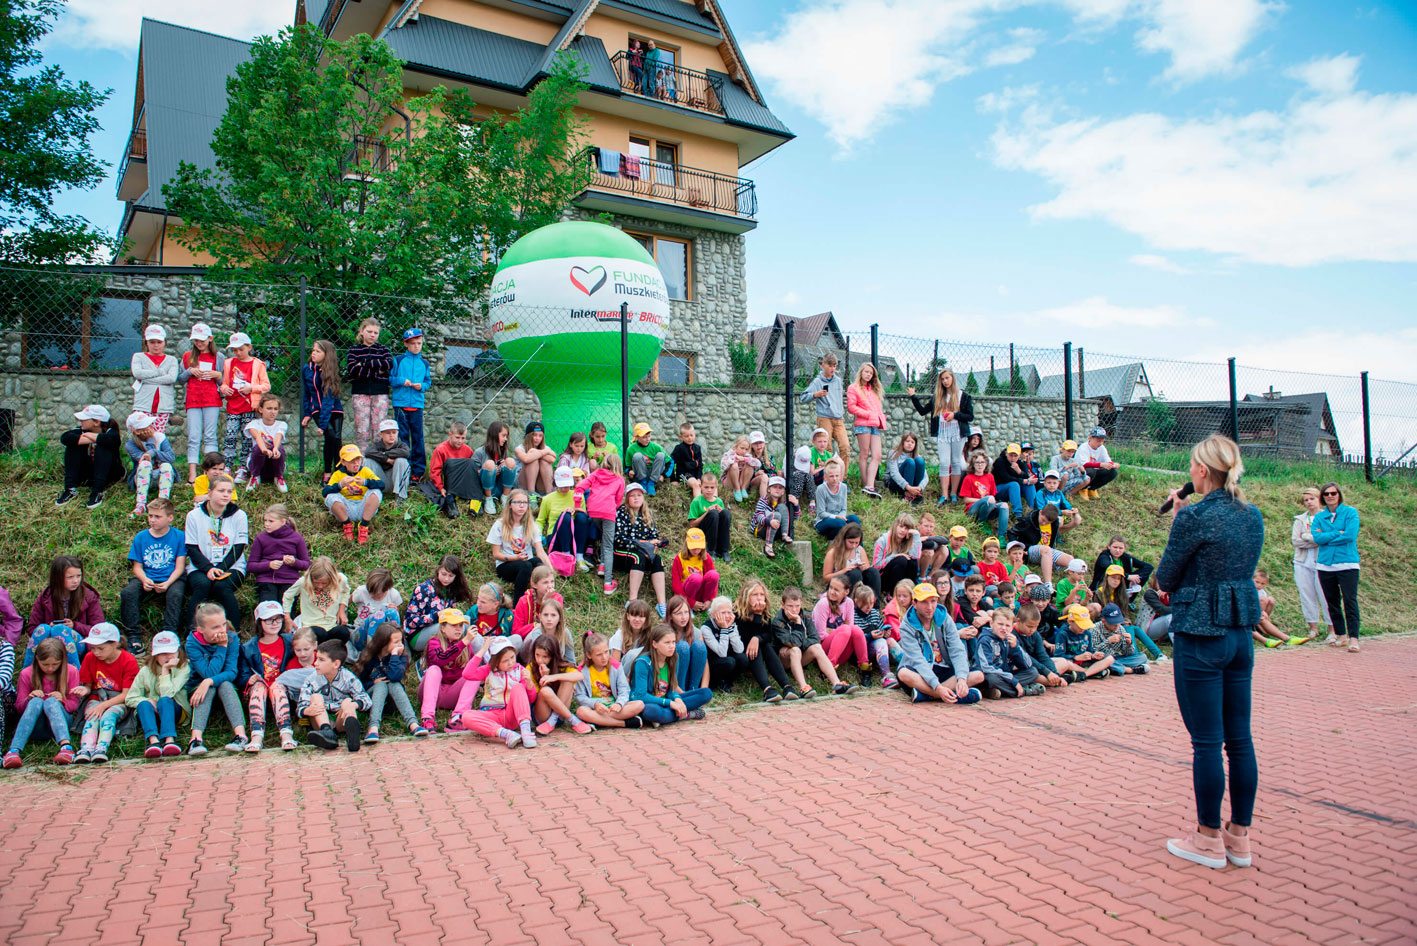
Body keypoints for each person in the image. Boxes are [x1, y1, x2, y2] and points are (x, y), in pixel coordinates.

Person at [1155, 434, 1263, 871]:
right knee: (1240, 740)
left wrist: (1179, 517)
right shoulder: (1251, 514)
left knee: (1206, 743)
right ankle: (1239, 837)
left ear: (1202, 470)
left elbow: (1165, 578)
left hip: (1201, 634)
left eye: (1191, 467)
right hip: (1239, 633)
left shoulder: (1194, 516)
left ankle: (1207, 838)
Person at [120, 498, 187, 656]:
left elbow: (180, 567)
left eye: (157, 516)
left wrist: (168, 583)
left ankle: (169, 635)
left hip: (171, 577)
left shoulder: (179, 536)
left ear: (170, 517)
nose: (152, 520)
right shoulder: (141, 537)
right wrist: (144, 579)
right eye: (150, 516)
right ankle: (134, 637)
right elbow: (137, 567)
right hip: (147, 576)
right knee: (128, 593)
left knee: (176, 594)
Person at [896, 583, 981, 704]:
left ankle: (927, 695)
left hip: (945, 668)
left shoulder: (945, 618)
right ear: (914, 603)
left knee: (978, 675)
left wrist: (961, 679)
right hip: (921, 671)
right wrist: (937, 687)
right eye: (924, 602)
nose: (930, 607)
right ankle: (948, 695)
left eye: (933, 601)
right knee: (903, 673)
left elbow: (957, 649)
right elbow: (917, 660)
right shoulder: (906, 625)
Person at [182, 475, 248, 631]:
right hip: (200, 566)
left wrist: (220, 568)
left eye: (229, 491)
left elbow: (238, 547)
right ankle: (191, 633)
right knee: (202, 585)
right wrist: (208, 568)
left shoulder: (239, 515)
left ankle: (234, 634)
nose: (226, 495)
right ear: (209, 492)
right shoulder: (194, 515)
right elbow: (192, 547)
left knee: (222, 586)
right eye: (221, 491)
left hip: (231, 566)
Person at [3, 637, 81, 767]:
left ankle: (66, 748)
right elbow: (19, 708)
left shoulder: (71, 671)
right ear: (37, 660)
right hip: (35, 726)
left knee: (51, 702)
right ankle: (13, 751)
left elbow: (74, 705)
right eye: (45, 664)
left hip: (60, 724)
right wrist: (29, 699)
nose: (50, 668)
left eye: (55, 664)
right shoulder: (26, 674)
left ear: (62, 661)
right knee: (36, 702)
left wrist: (62, 700)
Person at [184, 604, 248, 755]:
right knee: (209, 687)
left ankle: (241, 736)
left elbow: (231, 672)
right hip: (198, 690)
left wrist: (209, 681)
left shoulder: (231, 638)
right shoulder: (192, 643)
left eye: (223, 624)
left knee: (224, 684)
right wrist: (221, 647)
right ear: (201, 629)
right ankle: (195, 740)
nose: (222, 630)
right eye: (215, 627)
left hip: (225, 689)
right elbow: (208, 672)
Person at [72, 622, 139, 763]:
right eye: (93, 648)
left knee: (108, 716)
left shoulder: (128, 660)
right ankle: (86, 749)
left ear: (115, 644)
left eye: (100, 648)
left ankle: (101, 748)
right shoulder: (90, 658)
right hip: (97, 697)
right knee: (92, 716)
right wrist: (84, 690)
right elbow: (89, 686)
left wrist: (103, 706)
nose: (96, 653)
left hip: (118, 700)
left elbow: (126, 695)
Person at [455, 636, 538, 748]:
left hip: (512, 716)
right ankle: (506, 734)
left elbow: (532, 699)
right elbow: (467, 674)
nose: (510, 663)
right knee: (466, 716)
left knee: (518, 687)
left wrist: (529, 683)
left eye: (512, 657)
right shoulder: (488, 670)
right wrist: (483, 649)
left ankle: (526, 732)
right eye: (505, 661)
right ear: (496, 662)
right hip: (492, 716)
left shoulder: (520, 670)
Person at [909, 368, 973, 504]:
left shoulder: (963, 396)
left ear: (952, 378)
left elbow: (970, 416)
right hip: (943, 434)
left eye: (947, 378)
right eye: (942, 379)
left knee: (955, 462)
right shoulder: (937, 397)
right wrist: (913, 396)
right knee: (944, 463)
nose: (945, 381)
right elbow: (922, 411)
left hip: (958, 433)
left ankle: (953, 494)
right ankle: (944, 495)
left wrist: (954, 415)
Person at [354, 621, 427, 742]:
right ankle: (373, 728)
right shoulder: (368, 657)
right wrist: (373, 683)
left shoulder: (400, 657)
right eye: (396, 642)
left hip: (392, 702)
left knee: (394, 683)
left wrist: (394, 655)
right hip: (372, 701)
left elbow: (395, 676)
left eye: (401, 641)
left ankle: (413, 724)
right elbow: (358, 684)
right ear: (383, 643)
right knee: (381, 685)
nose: (400, 645)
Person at [238, 601, 295, 752]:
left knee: (276, 687)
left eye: (278, 619)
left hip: (282, 690)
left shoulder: (290, 641)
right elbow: (242, 676)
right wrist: (249, 680)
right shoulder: (248, 648)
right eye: (269, 619)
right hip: (260, 690)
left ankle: (286, 733)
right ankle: (256, 735)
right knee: (258, 687)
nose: (274, 623)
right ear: (259, 622)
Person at [1311, 481, 1361, 653]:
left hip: (1347, 563)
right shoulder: (1319, 517)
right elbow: (1317, 539)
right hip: (1325, 565)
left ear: (1339, 495)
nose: (1330, 496)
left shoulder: (1350, 512)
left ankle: (1354, 638)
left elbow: (1350, 536)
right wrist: (1335, 533)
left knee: (1350, 601)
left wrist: (1327, 537)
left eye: (1333, 493)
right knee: (1332, 602)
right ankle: (1341, 635)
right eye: (1326, 494)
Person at [299, 639, 373, 752]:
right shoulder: (312, 679)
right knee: (316, 697)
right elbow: (301, 703)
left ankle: (352, 736)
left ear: (336, 664)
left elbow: (366, 699)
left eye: (321, 660)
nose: (315, 663)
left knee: (348, 702)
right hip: (321, 719)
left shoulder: (348, 678)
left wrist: (353, 705)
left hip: (340, 719)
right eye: (316, 658)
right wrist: (306, 710)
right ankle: (327, 733)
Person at [630, 625, 712, 726]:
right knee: (651, 711)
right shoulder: (643, 662)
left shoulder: (673, 659)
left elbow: (671, 690)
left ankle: (672, 714)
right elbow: (641, 696)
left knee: (706, 693)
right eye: (667, 643)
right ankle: (685, 714)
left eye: (673, 642)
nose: (672, 646)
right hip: (649, 702)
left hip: (666, 701)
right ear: (654, 644)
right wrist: (670, 703)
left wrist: (678, 699)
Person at [219, 332, 271, 483]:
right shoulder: (228, 363)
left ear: (249, 347)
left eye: (241, 349)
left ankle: (243, 467)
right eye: (234, 350)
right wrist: (224, 388)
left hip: (249, 407)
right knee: (230, 436)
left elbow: (266, 385)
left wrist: (252, 388)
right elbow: (224, 383)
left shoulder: (258, 364)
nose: (237, 353)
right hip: (232, 406)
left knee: (247, 438)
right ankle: (227, 466)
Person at [418, 608, 478, 733]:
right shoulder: (434, 642)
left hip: (453, 694)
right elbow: (440, 659)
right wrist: (464, 642)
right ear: (443, 628)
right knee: (434, 669)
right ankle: (427, 719)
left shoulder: (466, 645)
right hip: (433, 692)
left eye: (460, 625)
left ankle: (458, 718)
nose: (458, 629)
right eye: (453, 625)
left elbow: (471, 669)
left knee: (474, 673)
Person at [735, 579, 795, 702]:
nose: (759, 598)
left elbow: (768, 635)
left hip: (758, 650)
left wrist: (757, 638)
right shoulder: (736, 612)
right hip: (741, 653)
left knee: (765, 645)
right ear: (746, 596)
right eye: (755, 594)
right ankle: (767, 689)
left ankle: (786, 686)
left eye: (762, 595)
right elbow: (744, 638)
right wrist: (757, 616)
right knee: (757, 646)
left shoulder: (764, 612)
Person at [488, 489, 552, 602]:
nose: (522, 505)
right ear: (510, 505)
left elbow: (540, 551)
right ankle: (517, 604)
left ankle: (542, 600)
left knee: (537, 562)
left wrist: (550, 571)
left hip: (526, 562)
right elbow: (496, 554)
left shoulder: (532, 526)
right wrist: (516, 558)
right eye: (518, 502)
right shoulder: (499, 525)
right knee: (526, 565)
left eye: (525, 502)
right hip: (506, 564)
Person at [613, 483, 669, 614]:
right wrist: (644, 542)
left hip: (644, 552)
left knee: (657, 560)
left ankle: (662, 604)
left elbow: (654, 535)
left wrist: (656, 543)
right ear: (627, 498)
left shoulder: (647, 514)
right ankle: (632, 600)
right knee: (637, 557)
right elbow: (619, 539)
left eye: (639, 495)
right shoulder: (621, 512)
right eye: (632, 495)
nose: (636, 498)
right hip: (623, 553)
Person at [179, 323, 224, 483]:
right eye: (196, 340)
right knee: (194, 436)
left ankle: (210, 472)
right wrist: (190, 371)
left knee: (210, 435)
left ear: (210, 339)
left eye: (202, 340)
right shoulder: (187, 356)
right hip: (193, 399)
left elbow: (223, 381)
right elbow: (180, 379)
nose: (199, 343)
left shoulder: (218, 357)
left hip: (211, 399)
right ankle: (192, 474)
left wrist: (216, 375)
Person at [57, 404, 125, 509]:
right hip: (87, 476)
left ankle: (97, 491)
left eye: (84, 419)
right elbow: (65, 438)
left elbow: (112, 439)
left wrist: (91, 437)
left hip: (109, 475)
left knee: (104, 445)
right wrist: (94, 438)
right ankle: (70, 489)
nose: (80, 421)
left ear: (96, 422)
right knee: (73, 446)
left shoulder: (111, 432)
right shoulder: (81, 430)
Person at [576, 453, 626, 593]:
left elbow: (580, 487)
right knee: (609, 545)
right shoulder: (620, 480)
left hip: (593, 511)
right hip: (608, 512)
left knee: (604, 535)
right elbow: (618, 500)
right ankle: (608, 583)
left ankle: (603, 565)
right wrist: (612, 508)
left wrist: (577, 503)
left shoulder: (596, 474)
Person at [574, 632, 645, 730]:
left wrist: (619, 703)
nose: (604, 657)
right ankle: (623, 723)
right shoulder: (582, 671)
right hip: (595, 708)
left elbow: (624, 690)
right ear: (589, 655)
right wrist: (594, 704)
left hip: (614, 707)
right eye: (599, 655)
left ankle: (598, 722)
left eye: (606, 652)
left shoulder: (616, 666)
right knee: (581, 711)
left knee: (639, 705)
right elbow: (580, 696)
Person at [404, 555, 473, 653]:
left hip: (442, 629)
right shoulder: (423, 589)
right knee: (448, 628)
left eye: (451, 576)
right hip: (417, 635)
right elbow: (411, 621)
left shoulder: (451, 590)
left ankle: (466, 654)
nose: (446, 579)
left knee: (465, 620)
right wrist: (437, 616)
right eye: (444, 574)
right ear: (438, 570)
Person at [281, 557, 353, 649]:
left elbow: (346, 591)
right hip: (311, 626)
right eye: (316, 583)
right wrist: (287, 617)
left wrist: (342, 610)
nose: (320, 586)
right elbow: (288, 596)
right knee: (319, 633)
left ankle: (331, 653)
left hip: (331, 625)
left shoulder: (340, 579)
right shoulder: (303, 582)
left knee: (343, 632)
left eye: (324, 583)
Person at [1290, 487, 1333, 640]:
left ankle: (1332, 629)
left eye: (1312, 499)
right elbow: (1295, 541)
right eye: (1306, 500)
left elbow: (1327, 539)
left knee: (1325, 595)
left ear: (1319, 499)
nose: (1309, 502)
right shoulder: (1300, 519)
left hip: (1322, 561)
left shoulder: (1327, 518)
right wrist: (1315, 540)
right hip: (1302, 561)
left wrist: (1307, 537)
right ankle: (1313, 628)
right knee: (1306, 595)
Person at [345, 318, 393, 452]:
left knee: (379, 428)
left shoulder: (383, 349)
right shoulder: (354, 350)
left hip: (380, 392)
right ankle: (362, 459)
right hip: (360, 392)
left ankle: (379, 457)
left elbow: (389, 364)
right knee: (362, 429)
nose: (372, 335)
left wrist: (364, 363)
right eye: (369, 332)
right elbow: (353, 370)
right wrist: (377, 369)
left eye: (375, 333)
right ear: (362, 331)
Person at [246, 503, 310, 605]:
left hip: (289, 581)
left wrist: (294, 562)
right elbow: (251, 565)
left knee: (286, 606)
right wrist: (268, 565)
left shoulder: (297, 538)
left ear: (282, 522)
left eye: (271, 521)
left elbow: (306, 564)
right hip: (266, 580)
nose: (266, 524)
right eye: (265, 520)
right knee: (270, 608)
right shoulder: (261, 538)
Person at [390, 327, 431, 483]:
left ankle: (418, 471)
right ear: (406, 344)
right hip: (400, 405)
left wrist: (422, 386)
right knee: (402, 437)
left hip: (417, 405)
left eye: (419, 343)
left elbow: (428, 382)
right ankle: (404, 468)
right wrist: (402, 381)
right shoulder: (398, 360)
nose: (416, 346)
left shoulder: (424, 363)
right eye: (413, 343)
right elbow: (391, 379)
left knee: (418, 437)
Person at [975, 609, 1045, 699]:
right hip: (990, 674)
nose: (1004, 628)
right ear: (991, 623)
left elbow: (1028, 664)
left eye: (1007, 625)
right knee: (992, 679)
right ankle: (1022, 691)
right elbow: (986, 667)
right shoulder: (985, 640)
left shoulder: (1010, 639)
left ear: (1012, 627)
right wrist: (1013, 681)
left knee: (1033, 672)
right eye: (1000, 624)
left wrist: (1016, 647)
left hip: (1005, 675)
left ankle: (998, 691)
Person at [323, 444, 384, 544]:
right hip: (345, 510)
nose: (356, 463)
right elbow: (325, 492)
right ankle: (347, 524)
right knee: (330, 496)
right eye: (351, 460)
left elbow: (381, 485)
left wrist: (366, 482)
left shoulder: (365, 471)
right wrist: (340, 485)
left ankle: (364, 525)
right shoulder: (338, 474)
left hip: (364, 508)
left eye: (358, 459)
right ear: (343, 462)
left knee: (376, 492)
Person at [301, 339, 345, 477]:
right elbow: (306, 393)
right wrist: (308, 413)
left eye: (318, 351)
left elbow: (328, 399)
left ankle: (339, 474)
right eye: (313, 350)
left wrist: (323, 424)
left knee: (336, 439)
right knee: (330, 436)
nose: (313, 353)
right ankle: (327, 473)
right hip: (317, 410)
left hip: (334, 409)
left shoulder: (330, 371)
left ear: (327, 354)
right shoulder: (307, 369)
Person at [801, 353, 851, 470]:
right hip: (824, 418)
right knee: (827, 449)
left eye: (834, 366)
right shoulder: (817, 381)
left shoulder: (838, 381)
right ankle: (827, 475)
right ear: (823, 365)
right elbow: (803, 397)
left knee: (845, 447)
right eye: (830, 365)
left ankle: (842, 477)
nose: (832, 369)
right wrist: (815, 394)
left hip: (838, 418)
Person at [123, 411, 177, 516]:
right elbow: (148, 460)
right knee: (145, 464)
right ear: (137, 431)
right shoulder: (131, 444)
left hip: (162, 478)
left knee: (166, 465)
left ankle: (163, 503)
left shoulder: (160, 437)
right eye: (146, 426)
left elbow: (171, 458)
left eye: (150, 423)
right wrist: (151, 440)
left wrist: (154, 452)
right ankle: (141, 504)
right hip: (143, 478)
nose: (151, 427)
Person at [1007, 504, 1075, 586]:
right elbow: (1011, 533)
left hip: (1048, 552)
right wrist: (1018, 549)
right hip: (1030, 550)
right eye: (1043, 520)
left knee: (1070, 559)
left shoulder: (1055, 523)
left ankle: (1075, 585)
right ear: (1040, 512)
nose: (1044, 523)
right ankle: (1048, 584)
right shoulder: (1029, 520)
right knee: (1046, 549)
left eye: (1047, 522)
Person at [846, 361, 887, 496]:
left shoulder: (874, 389)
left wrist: (881, 418)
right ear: (861, 372)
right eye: (866, 372)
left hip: (875, 424)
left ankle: (870, 485)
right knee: (864, 454)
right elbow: (851, 407)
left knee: (877, 455)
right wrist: (868, 414)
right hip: (863, 424)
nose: (868, 375)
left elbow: (877, 408)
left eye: (871, 373)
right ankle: (867, 485)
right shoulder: (853, 388)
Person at [131, 323, 178, 434]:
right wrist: (160, 372)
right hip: (143, 405)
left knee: (158, 436)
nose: (156, 345)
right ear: (146, 342)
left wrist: (145, 379)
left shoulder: (171, 360)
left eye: (159, 342)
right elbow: (137, 373)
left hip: (163, 406)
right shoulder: (138, 357)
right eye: (152, 342)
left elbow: (171, 378)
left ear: (165, 342)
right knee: (142, 434)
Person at [423, 421, 475, 518]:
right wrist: (440, 487)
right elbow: (435, 471)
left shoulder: (468, 450)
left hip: (462, 482)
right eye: (457, 437)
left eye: (463, 438)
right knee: (451, 464)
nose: (460, 441)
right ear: (450, 435)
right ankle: (450, 504)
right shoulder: (440, 450)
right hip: (448, 483)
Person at [469, 421, 519, 516]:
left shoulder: (503, 451)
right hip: (485, 489)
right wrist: (491, 471)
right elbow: (472, 473)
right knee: (490, 464)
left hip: (500, 487)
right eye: (503, 436)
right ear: (495, 435)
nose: (505, 439)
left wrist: (501, 469)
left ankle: (505, 497)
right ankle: (488, 500)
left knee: (510, 461)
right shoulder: (480, 452)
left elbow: (509, 470)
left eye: (506, 436)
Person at [851, 583, 896, 688]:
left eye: (871, 603)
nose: (869, 607)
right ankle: (886, 676)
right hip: (860, 651)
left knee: (890, 641)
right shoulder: (852, 615)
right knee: (881, 642)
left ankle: (907, 667)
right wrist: (869, 636)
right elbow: (853, 640)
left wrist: (885, 633)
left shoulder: (874, 613)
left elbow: (881, 629)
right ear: (856, 601)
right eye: (865, 604)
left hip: (877, 648)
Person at [243, 394, 289, 494]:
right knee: (258, 448)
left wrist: (275, 449)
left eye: (275, 409)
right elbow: (257, 437)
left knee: (279, 449)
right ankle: (255, 477)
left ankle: (278, 477)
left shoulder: (282, 424)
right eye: (269, 408)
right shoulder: (253, 424)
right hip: (258, 464)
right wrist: (264, 449)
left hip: (273, 464)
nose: (273, 412)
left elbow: (278, 436)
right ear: (260, 409)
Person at [822, 523, 882, 598]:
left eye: (856, 543)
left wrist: (863, 568)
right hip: (839, 584)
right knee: (855, 573)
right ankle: (849, 602)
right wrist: (844, 571)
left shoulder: (859, 550)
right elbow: (826, 578)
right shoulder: (833, 553)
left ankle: (874, 602)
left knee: (873, 572)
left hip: (859, 583)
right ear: (844, 539)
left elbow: (867, 570)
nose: (854, 546)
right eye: (851, 542)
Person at [960, 451, 1007, 542]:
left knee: (1004, 505)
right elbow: (966, 500)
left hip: (988, 506)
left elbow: (993, 495)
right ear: (973, 464)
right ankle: (981, 523)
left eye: (982, 462)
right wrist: (984, 500)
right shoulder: (968, 478)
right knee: (989, 499)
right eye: (977, 462)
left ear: (986, 464)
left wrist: (991, 502)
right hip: (973, 509)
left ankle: (1001, 537)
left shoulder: (990, 476)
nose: (980, 465)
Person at [686, 472, 732, 563]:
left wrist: (721, 512)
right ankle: (710, 550)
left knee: (726, 513)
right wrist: (707, 513)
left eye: (712, 487)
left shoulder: (719, 501)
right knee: (713, 513)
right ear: (700, 486)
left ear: (716, 487)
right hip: (703, 531)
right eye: (706, 487)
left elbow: (723, 523)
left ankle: (723, 550)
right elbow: (692, 524)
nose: (709, 490)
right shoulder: (697, 501)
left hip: (716, 532)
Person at [671, 529, 719, 612]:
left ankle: (705, 605)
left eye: (699, 548)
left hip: (701, 593)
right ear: (687, 544)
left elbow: (714, 581)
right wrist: (690, 602)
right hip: (686, 595)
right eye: (693, 547)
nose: (696, 551)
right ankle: (687, 607)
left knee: (714, 574)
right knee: (696, 578)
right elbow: (676, 585)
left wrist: (710, 600)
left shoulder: (706, 557)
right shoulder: (679, 558)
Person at [365, 419, 411, 501]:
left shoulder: (401, 445)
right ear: (381, 434)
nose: (391, 435)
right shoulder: (377, 445)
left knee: (401, 461)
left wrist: (383, 454)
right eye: (388, 433)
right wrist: (387, 460)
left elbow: (406, 453)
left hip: (394, 481)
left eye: (394, 432)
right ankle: (371, 494)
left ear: (397, 433)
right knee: (367, 461)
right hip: (380, 479)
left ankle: (400, 496)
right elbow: (368, 452)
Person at [814, 458, 860, 540]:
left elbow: (844, 509)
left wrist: (841, 517)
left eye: (837, 476)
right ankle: (834, 541)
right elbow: (821, 513)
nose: (834, 479)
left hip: (840, 519)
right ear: (825, 477)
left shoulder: (843, 487)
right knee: (840, 523)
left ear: (840, 476)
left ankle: (858, 544)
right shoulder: (821, 489)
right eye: (831, 476)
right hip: (824, 521)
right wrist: (836, 517)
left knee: (854, 519)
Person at [752, 476, 794, 559]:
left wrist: (795, 505)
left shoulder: (783, 504)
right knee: (776, 515)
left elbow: (792, 518)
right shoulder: (763, 501)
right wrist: (769, 521)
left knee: (782, 507)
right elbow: (758, 516)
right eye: (774, 487)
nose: (777, 489)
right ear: (769, 489)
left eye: (780, 488)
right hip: (761, 529)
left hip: (775, 530)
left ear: (783, 491)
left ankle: (784, 535)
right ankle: (768, 545)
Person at [1073, 427, 1120, 499]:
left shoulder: (1102, 448)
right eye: (1098, 441)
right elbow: (1085, 464)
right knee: (1090, 471)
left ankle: (1092, 488)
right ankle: (1083, 488)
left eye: (1102, 441)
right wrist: (1101, 465)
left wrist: (1113, 465)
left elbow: (1107, 460)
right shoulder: (1083, 447)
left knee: (1113, 472)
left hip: (1094, 471)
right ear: (1090, 438)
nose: (1100, 443)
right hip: (1080, 472)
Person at [991, 443, 1036, 517]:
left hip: (1014, 490)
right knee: (1014, 484)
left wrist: (1019, 471)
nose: (1013, 458)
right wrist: (1022, 481)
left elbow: (1026, 476)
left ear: (1019, 455)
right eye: (1011, 455)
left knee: (1029, 485)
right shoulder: (1000, 461)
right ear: (1006, 453)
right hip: (998, 489)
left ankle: (1033, 511)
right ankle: (1018, 514)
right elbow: (1005, 478)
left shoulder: (1019, 462)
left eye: (1015, 456)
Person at [516, 420, 557, 496]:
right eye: (534, 435)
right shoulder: (520, 448)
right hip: (523, 483)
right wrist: (544, 452)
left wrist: (535, 452)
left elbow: (552, 459)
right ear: (528, 436)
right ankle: (531, 495)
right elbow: (526, 459)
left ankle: (549, 494)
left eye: (540, 436)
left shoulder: (545, 448)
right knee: (532, 460)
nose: (537, 438)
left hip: (539, 484)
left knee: (544, 462)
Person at [883, 432, 927, 502]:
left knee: (920, 461)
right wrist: (908, 488)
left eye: (912, 442)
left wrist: (920, 488)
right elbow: (894, 474)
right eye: (907, 441)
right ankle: (909, 495)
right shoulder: (893, 453)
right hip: (895, 483)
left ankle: (915, 494)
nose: (910, 444)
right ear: (903, 442)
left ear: (915, 445)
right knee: (910, 462)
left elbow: (925, 477)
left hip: (912, 486)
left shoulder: (917, 456)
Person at [719, 435, 763, 504]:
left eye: (746, 449)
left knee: (750, 465)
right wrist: (734, 459)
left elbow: (758, 464)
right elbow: (723, 466)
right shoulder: (729, 454)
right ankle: (737, 489)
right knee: (734, 466)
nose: (744, 451)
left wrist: (745, 459)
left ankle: (743, 489)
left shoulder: (746, 456)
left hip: (741, 481)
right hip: (730, 481)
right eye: (742, 448)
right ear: (736, 446)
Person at [626, 422, 668, 494]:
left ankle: (651, 484)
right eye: (644, 437)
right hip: (640, 475)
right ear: (637, 437)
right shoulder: (631, 449)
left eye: (649, 436)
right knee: (637, 456)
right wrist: (629, 471)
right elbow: (627, 465)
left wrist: (664, 475)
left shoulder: (656, 447)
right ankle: (643, 483)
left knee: (661, 455)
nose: (647, 439)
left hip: (654, 474)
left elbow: (670, 462)